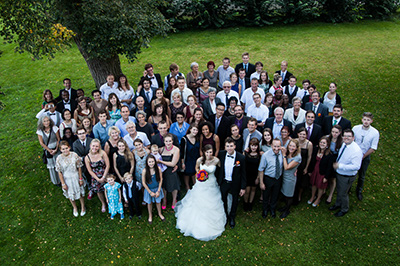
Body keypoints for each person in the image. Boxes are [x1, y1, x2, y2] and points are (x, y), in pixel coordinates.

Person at [175, 144, 226, 241]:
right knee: (198, 201)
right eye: (207, 152)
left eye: (210, 152)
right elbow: (197, 168)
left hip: (211, 183)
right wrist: (199, 174)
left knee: (212, 201)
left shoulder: (216, 160)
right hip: (201, 183)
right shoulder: (199, 160)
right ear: (204, 152)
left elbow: (221, 170)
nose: (209, 154)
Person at [330, 129, 363, 217]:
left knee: (343, 193)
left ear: (353, 138)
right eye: (345, 136)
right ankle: (337, 204)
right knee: (339, 190)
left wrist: (340, 166)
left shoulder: (356, 151)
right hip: (340, 173)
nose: (346, 138)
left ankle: (344, 209)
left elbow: (356, 166)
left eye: (349, 136)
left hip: (346, 175)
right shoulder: (344, 144)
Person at [218, 138, 246, 228]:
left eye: (231, 146)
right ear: (225, 147)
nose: (229, 148)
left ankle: (232, 217)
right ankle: (225, 216)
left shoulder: (241, 157)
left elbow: (243, 173)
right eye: (227, 146)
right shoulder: (221, 154)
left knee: (234, 200)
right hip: (224, 182)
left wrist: (243, 187)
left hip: (235, 183)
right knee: (223, 199)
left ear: (234, 146)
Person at [353, 112, 380, 201]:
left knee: (362, 175)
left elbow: (373, 148)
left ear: (371, 121)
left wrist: (363, 156)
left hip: (365, 155)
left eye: (368, 120)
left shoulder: (375, 133)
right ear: (362, 119)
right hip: (353, 154)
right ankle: (348, 188)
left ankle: (359, 190)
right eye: (364, 119)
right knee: (351, 171)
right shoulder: (356, 128)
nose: (366, 121)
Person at [56, 141, 86, 217]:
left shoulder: (74, 155)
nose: (65, 150)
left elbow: (79, 167)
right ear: (60, 150)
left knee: (80, 193)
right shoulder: (59, 158)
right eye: (63, 149)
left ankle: (83, 207)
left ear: (69, 147)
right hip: (67, 178)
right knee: (70, 194)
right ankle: (75, 207)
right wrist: (63, 183)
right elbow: (59, 172)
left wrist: (80, 178)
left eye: (66, 148)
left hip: (75, 176)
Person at [259, 138, 283, 218]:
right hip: (268, 178)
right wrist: (261, 182)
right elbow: (261, 169)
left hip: (278, 178)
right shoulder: (265, 155)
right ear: (271, 145)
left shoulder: (282, 154)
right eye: (274, 146)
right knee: (266, 195)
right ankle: (265, 210)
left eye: (278, 146)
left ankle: (272, 209)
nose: (276, 148)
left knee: (275, 195)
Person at [307, 137, 334, 207]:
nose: (322, 144)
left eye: (324, 143)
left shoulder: (330, 155)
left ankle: (318, 198)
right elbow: (312, 161)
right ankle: (313, 196)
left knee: (320, 186)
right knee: (313, 184)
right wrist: (310, 170)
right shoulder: (316, 150)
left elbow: (329, 168)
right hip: (314, 171)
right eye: (321, 142)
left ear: (327, 145)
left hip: (322, 173)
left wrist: (326, 177)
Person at [85, 139, 110, 213]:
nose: (94, 148)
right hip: (95, 177)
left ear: (99, 147)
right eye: (93, 146)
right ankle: (103, 203)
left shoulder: (103, 153)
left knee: (108, 189)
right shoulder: (87, 157)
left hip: (105, 174)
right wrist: (98, 179)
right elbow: (89, 170)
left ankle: (110, 201)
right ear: (90, 146)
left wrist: (104, 177)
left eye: (97, 146)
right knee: (99, 191)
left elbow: (108, 165)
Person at [280, 139, 302, 218]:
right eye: (290, 145)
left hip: (290, 178)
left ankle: (287, 210)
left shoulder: (297, 157)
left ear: (296, 148)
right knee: (284, 193)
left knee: (289, 195)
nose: (291, 147)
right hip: (283, 176)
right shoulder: (288, 153)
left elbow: (287, 167)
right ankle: (285, 207)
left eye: (293, 146)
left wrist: (284, 155)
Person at [158, 134, 180, 209]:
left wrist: (161, 162)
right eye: (166, 141)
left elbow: (173, 163)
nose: (168, 143)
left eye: (170, 141)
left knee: (174, 186)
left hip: (172, 170)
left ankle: (174, 200)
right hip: (163, 171)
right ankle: (164, 200)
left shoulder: (176, 149)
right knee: (164, 186)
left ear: (172, 141)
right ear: (164, 142)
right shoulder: (161, 149)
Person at [37, 116, 61, 185]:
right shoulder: (40, 131)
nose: (46, 122)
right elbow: (41, 143)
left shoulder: (54, 128)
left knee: (58, 164)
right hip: (48, 150)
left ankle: (61, 179)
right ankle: (56, 181)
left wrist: (56, 149)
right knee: (52, 166)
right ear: (42, 122)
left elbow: (58, 139)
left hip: (56, 148)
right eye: (44, 121)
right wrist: (49, 150)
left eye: (47, 121)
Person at [142, 155, 165, 224]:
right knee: (149, 203)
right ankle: (150, 215)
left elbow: (161, 179)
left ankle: (160, 213)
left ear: (155, 162)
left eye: (152, 161)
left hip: (157, 188)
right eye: (149, 162)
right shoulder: (145, 170)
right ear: (147, 162)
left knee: (158, 202)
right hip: (149, 190)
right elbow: (143, 182)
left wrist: (158, 190)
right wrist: (150, 192)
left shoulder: (158, 169)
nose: (151, 163)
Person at [294, 127, 313, 203]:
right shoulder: (295, 141)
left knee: (301, 182)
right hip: (295, 164)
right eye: (300, 134)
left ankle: (299, 195)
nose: (302, 136)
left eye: (304, 134)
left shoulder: (309, 144)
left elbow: (309, 156)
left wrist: (306, 168)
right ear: (298, 134)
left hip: (303, 164)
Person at [326, 125, 343, 204]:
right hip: (327, 158)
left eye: (336, 132)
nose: (334, 134)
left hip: (335, 159)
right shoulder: (327, 138)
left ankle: (330, 195)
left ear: (339, 133)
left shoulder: (342, 141)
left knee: (333, 178)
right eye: (333, 132)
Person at [243, 138, 261, 212]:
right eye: (252, 145)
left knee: (253, 189)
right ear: (249, 146)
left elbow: (260, 167)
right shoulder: (246, 154)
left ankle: (250, 203)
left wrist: (258, 177)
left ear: (257, 147)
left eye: (255, 146)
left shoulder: (259, 155)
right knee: (247, 190)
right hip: (247, 175)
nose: (253, 147)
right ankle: (245, 203)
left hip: (255, 175)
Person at [180, 124, 200, 190]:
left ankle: (195, 186)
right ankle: (187, 186)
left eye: (197, 130)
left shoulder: (197, 138)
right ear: (190, 129)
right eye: (194, 129)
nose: (195, 131)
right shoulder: (184, 139)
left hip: (195, 159)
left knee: (194, 172)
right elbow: (182, 152)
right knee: (187, 173)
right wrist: (182, 163)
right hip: (187, 159)